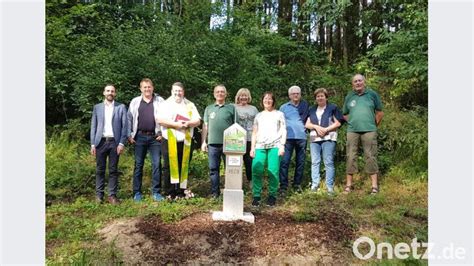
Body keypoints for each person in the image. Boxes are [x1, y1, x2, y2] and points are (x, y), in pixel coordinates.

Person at [157, 82, 201, 199]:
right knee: (168, 166)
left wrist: (189, 123)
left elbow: (198, 121)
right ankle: (169, 192)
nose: (178, 93)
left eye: (180, 91)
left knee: (184, 165)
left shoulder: (190, 105)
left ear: (183, 92)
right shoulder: (165, 104)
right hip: (169, 139)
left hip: (185, 141)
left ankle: (181, 191)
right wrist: (175, 125)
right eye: (175, 91)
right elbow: (160, 120)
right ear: (172, 92)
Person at [342, 74, 384, 194]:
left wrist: (373, 125)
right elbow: (345, 114)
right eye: (355, 81)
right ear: (352, 84)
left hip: (369, 130)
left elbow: (380, 112)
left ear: (364, 82)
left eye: (360, 80)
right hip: (352, 130)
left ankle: (374, 186)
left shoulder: (372, 94)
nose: (358, 83)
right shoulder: (349, 96)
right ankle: (349, 186)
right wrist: (353, 122)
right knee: (350, 156)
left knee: (370, 156)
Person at [128, 78, 165, 202]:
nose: (147, 89)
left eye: (149, 87)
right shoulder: (135, 101)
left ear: (153, 88)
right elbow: (129, 118)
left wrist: (163, 133)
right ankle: (137, 193)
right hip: (139, 137)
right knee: (138, 165)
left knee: (156, 164)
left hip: (155, 138)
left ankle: (156, 192)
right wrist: (129, 134)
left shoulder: (160, 101)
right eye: (145, 87)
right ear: (141, 89)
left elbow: (167, 116)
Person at [90, 84, 128, 205]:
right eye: (108, 91)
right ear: (104, 93)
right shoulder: (97, 107)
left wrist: (122, 143)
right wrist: (92, 144)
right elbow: (93, 126)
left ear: (115, 93)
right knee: (100, 169)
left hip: (114, 143)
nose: (110, 93)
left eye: (112, 91)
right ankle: (99, 195)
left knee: (113, 170)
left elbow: (124, 126)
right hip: (100, 142)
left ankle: (112, 196)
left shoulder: (121, 107)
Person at [250, 92, 286, 207]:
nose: (267, 101)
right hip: (259, 146)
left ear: (273, 101)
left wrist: (282, 145)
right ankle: (256, 196)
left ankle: (272, 196)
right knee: (256, 170)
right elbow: (254, 132)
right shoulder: (258, 115)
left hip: (275, 146)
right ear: (262, 101)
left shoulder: (279, 114)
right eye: (265, 99)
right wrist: (252, 148)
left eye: (270, 99)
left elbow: (283, 130)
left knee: (273, 171)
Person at [305, 88, 344, 195]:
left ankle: (329, 187)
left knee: (328, 162)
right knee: (315, 162)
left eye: (322, 96)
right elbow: (307, 124)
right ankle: (314, 185)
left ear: (326, 97)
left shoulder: (333, 108)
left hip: (329, 138)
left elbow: (338, 123)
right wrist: (316, 127)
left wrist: (326, 129)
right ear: (315, 98)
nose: (320, 98)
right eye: (318, 96)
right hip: (314, 139)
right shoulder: (312, 109)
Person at [201, 84, 236, 198]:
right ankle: (215, 192)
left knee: (230, 169)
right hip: (212, 144)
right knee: (213, 169)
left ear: (226, 94)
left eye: (222, 92)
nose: (220, 93)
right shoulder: (209, 108)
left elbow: (236, 127)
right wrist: (203, 142)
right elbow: (205, 126)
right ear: (214, 94)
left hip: (229, 144)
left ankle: (230, 191)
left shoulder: (231, 108)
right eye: (218, 92)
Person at [279, 85, 309, 195]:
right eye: (293, 93)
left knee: (300, 162)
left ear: (300, 95)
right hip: (287, 138)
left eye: (297, 93)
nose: (295, 95)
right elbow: (279, 122)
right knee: (284, 162)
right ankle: (283, 186)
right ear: (289, 95)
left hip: (302, 138)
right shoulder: (283, 107)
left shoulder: (305, 105)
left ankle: (297, 185)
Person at [234, 88, 259, 184]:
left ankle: (251, 181)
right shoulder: (233, 107)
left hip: (250, 138)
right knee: (236, 160)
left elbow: (257, 124)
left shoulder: (253, 109)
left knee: (249, 161)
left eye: (245, 95)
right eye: (241, 95)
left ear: (248, 97)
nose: (243, 97)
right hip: (237, 138)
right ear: (238, 97)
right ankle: (236, 182)